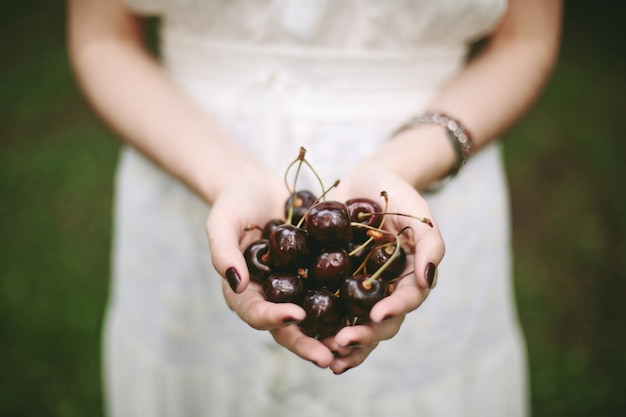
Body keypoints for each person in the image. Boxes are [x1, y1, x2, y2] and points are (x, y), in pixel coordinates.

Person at [67, 0, 562, 416]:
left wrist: (409, 161)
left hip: (420, 183)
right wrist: (226, 177)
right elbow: (102, 38)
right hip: (187, 161)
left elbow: (526, 41)